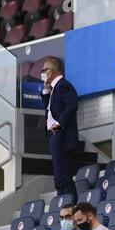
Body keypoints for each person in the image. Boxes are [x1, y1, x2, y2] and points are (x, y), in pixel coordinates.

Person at [40, 57, 79, 198]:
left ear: (52, 71)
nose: (42, 72)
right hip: (54, 134)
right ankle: (63, 206)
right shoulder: (54, 88)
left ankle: (70, 206)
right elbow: (50, 109)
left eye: (44, 69)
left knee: (62, 175)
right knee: (58, 175)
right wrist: (45, 89)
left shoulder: (63, 85)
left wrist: (58, 125)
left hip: (59, 134)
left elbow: (72, 105)